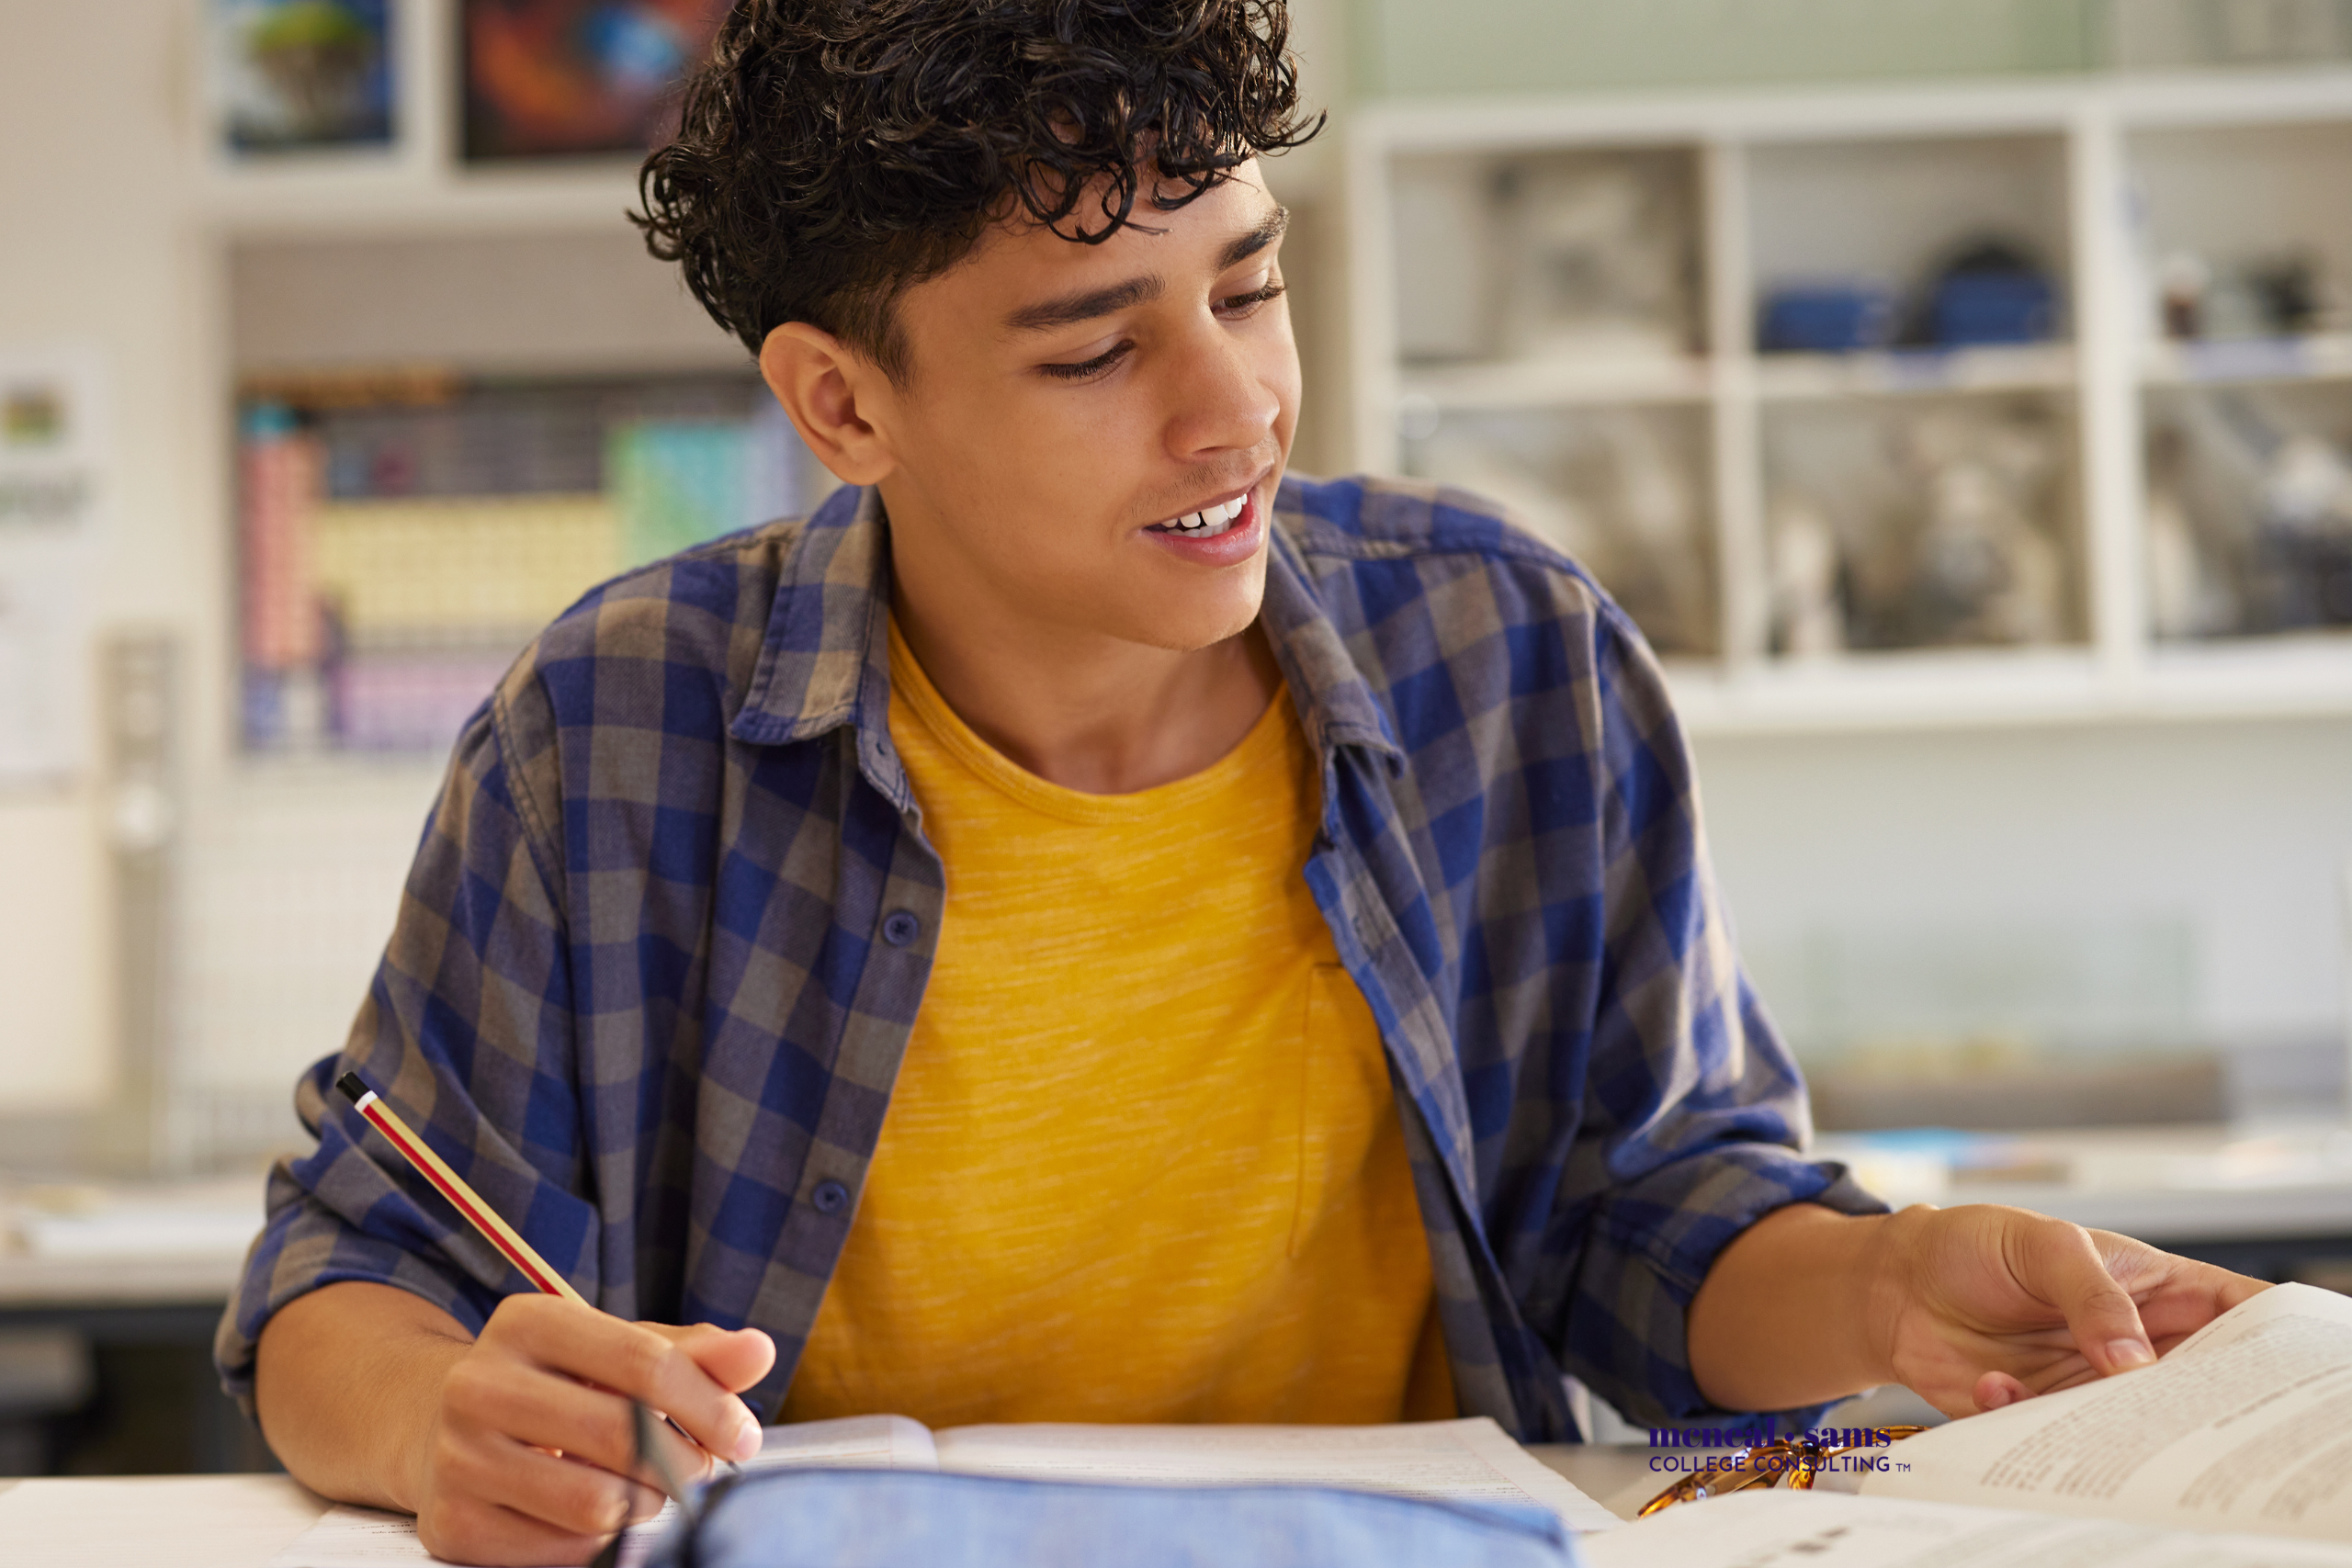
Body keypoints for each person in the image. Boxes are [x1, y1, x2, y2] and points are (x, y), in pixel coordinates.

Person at [217, 3, 2267, 1563]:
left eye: (1251, 284)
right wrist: (434, 1421)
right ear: (841, 403)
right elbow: (350, 1274)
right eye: (1094, 352)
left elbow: (1649, 1225)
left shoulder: (1506, 655)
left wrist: (1887, 1285)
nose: (1234, 413)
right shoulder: (617, 732)